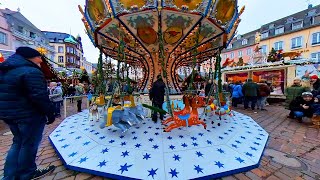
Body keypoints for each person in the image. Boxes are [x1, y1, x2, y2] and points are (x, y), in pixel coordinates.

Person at [0, 47, 56, 179]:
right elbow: (39, 95)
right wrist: (50, 113)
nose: (41, 60)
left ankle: (10, 175)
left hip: (10, 114)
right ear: (31, 57)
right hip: (28, 115)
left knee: (18, 143)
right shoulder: (31, 71)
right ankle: (27, 173)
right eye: (39, 57)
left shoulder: (6, 70)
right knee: (29, 145)